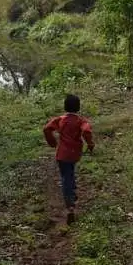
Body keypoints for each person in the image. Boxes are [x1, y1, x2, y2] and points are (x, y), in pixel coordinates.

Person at [43, 94, 94, 224]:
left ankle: (70, 205)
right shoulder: (81, 121)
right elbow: (87, 131)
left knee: (66, 176)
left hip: (62, 154)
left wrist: (52, 142)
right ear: (78, 107)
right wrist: (90, 144)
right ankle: (72, 196)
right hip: (74, 154)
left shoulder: (60, 119)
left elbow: (47, 128)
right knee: (70, 172)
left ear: (65, 106)